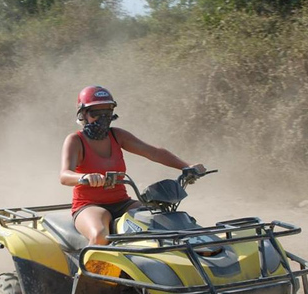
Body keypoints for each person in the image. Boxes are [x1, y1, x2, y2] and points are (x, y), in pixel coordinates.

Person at [60, 86, 205, 245]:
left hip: (122, 202)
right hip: (89, 205)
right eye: (95, 113)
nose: (102, 118)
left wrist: (187, 166)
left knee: (162, 223)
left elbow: (154, 152)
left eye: (107, 112)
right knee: (100, 235)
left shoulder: (117, 135)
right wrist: (84, 177)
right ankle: (84, 270)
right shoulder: (75, 140)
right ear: (83, 114)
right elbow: (65, 175)